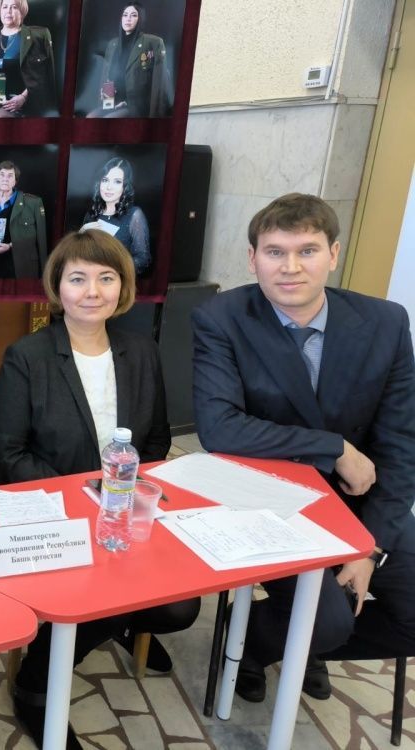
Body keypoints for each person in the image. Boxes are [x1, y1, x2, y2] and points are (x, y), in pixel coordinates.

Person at [191, 193, 415, 703]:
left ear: (333, 254)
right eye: (275, 252)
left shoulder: (385, 323)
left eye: (307, 250)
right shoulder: (221, 318)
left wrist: (370, 546)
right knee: (327, 617)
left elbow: (401, 443)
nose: (290, 267)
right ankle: (255, 646)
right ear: (253, 258)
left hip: (360, 500)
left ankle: (297, 646)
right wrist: (334, 447)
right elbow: (220, 428)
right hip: (271, 499)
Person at [0, 230, 200, 750]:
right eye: (78, 278)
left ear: (123, 287)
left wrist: (124, 498)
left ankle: (113, 620)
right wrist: (84, 499)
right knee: (97, 592)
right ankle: (36, 686)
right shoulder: (28, 356)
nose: (92, 291)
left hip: (123, 511)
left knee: (179, 609)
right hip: (53, 514)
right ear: (57, 287)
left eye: (106, 278)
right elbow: (8, 456)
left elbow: (155, 440)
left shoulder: (141, 351)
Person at [0, 0, 55, 118]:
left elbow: (41, 75)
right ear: (0, 10)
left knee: (0, 116)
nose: (8, 11)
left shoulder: (35, 36)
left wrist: (23, 97)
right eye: (5, 7)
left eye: (14, 7)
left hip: (22, 97)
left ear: (22, 11)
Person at [89, 3, 172, 118]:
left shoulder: (152, 42)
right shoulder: (113, 44)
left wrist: (154, 118)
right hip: (114, 102)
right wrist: (106, 95)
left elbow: (159, 85)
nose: (128, 19)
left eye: (133, 15)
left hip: (135, 106)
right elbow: (107, 77)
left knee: (108, 119)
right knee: (90, 117)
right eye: (125, 15)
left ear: (140, 19)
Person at [79, 157, 151, 275]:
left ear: (125, 186)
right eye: (105, 180)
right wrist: (80, 235)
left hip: (118, 281)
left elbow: (143, 259)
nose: (109, 187)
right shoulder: (92, 213)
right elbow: (79, 255)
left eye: (117, 182)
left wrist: (113, 269)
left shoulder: (135, 215)